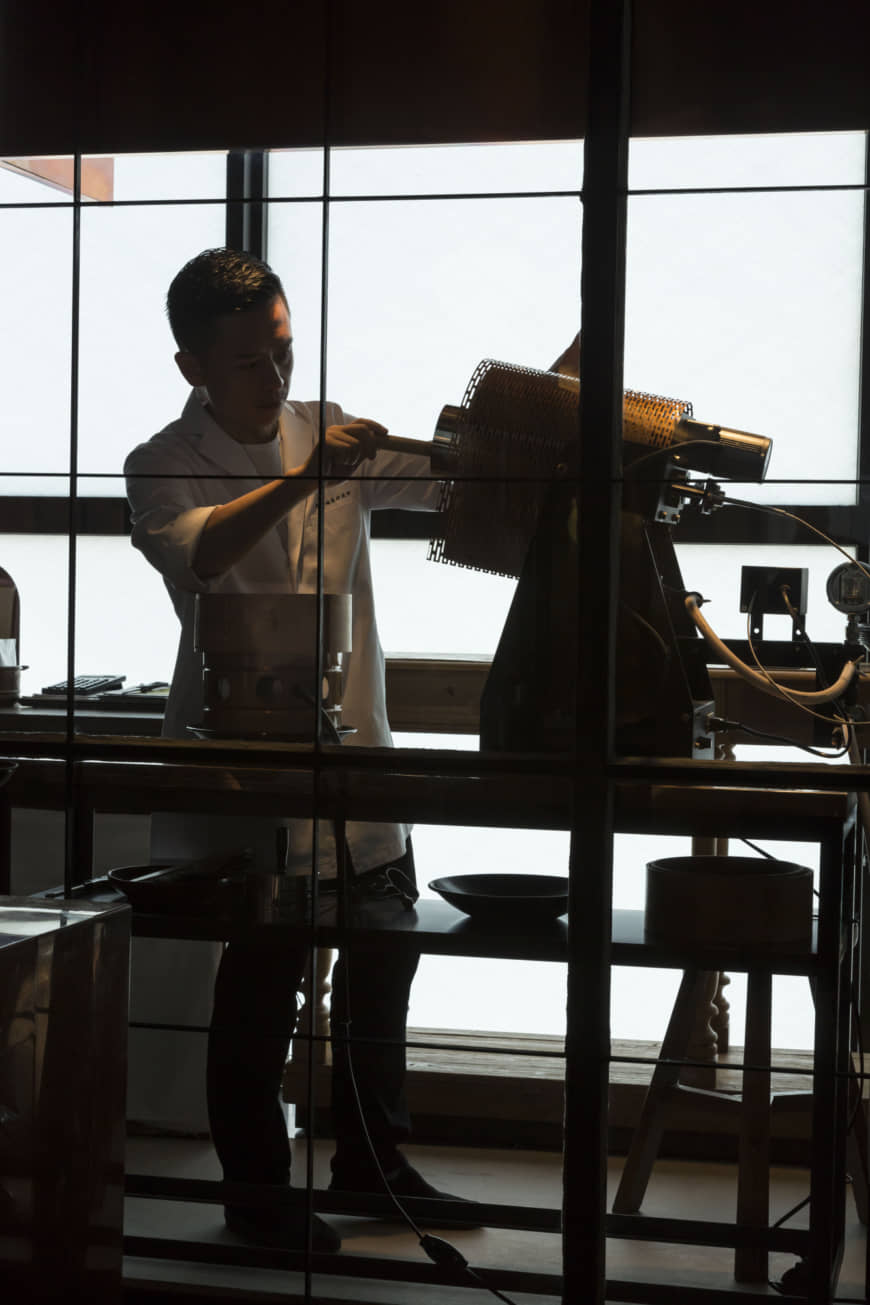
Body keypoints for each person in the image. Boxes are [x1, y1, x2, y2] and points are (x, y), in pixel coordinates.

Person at [124, 247, 476, 1252]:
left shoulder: (329, 431)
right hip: (246, 766)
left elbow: (458, 484)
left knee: (382, 967)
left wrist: (527, 420)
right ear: (192, 367)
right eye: (248, 364)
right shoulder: (161, 461)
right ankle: (259, 1199)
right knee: (261, 984)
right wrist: (310, 479)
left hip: (360, 751)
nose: (276, 380)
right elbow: (201, 551)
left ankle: (375, 1165)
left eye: (283, 352)